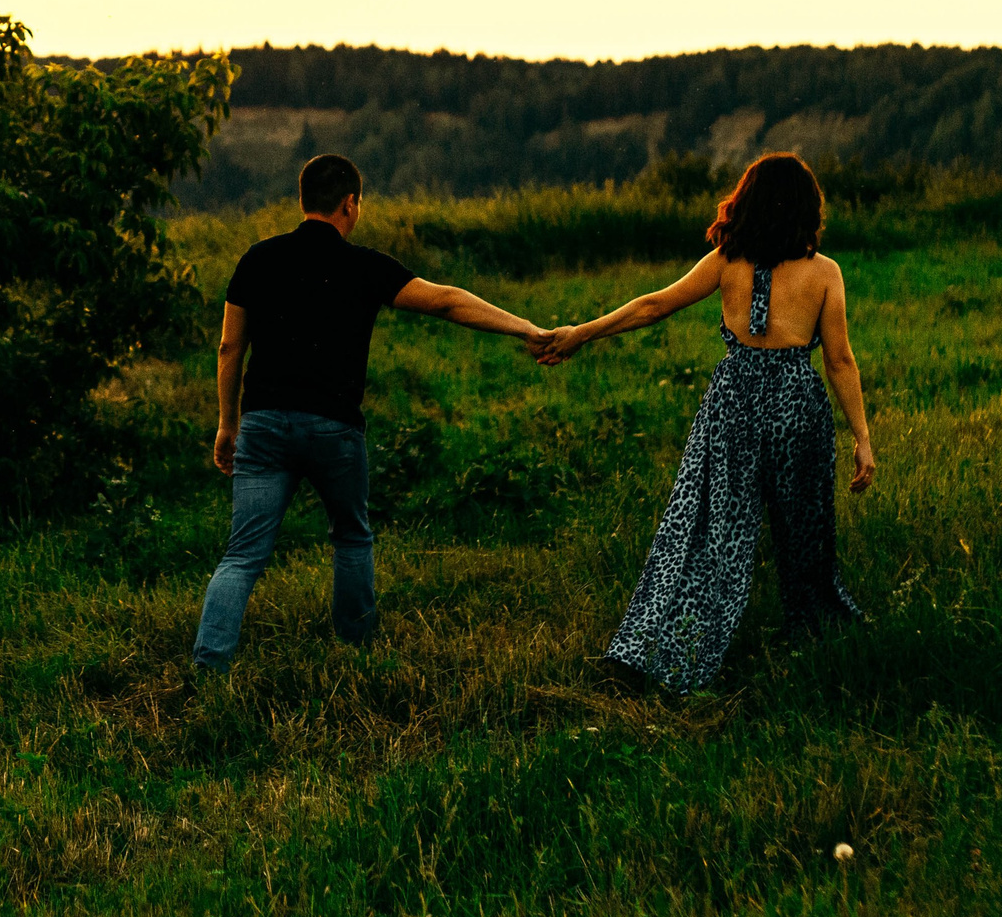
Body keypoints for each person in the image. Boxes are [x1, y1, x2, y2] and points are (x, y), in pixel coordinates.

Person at [194, 153, 549, 675]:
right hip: (334, 430)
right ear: (350, 204)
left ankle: (208, 665)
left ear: (303, 201)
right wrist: (528, 329)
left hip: (264, 425)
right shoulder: (364, 266)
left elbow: (230, 348)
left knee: (244, 554)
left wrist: (228, 424)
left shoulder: (257, 259)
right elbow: (448, 302)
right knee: (352, 537)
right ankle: (355, 654)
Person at [538, 152, 877, 693]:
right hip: (797, 406)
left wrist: (581, 333)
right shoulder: (825, 272)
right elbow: (839, 359)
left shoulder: (727, 261)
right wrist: (862, 438)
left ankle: (667, 657)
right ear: (808, 209)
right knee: (806, 536)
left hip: (734, 404)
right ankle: (816, 639)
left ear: (748, 202)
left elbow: (653, 306)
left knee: (710, 536)